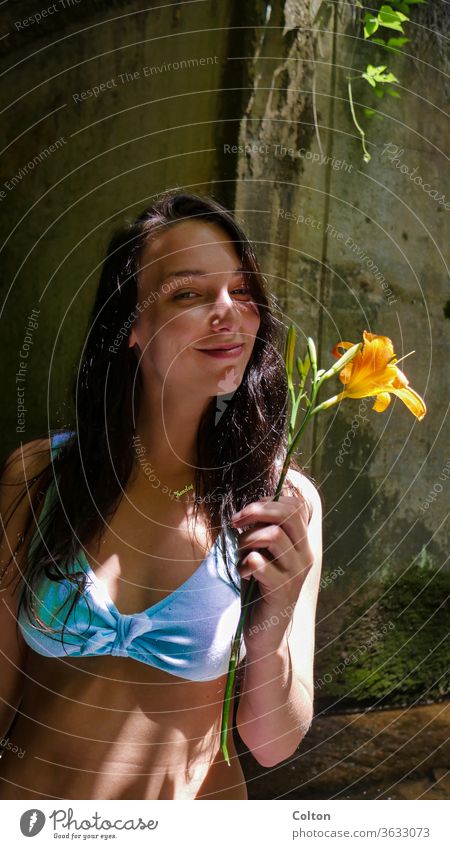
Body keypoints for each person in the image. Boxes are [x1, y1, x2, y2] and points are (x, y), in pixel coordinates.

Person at [0, 190, 322, 800]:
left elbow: (274, 743)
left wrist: (278, 607)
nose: (228, 311)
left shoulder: (279, 501)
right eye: (189, 293)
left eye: (242, 290)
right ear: (131, 327)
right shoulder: (41, 479)